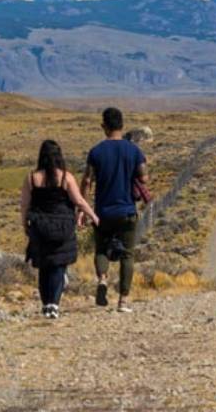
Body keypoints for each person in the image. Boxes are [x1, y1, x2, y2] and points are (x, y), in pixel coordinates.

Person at [21, 139, 99, 319]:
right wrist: (93, 216)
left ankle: (46, 304)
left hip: (40, 227)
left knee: (44, 266)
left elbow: (24, 205)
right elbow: (78, 200)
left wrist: (25, 225)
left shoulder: (32, 178)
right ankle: (54, 304)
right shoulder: (66, 177)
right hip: (63, 227)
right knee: (58, 266)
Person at [81, 107, 148, 313]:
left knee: (101, 249)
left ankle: (102, 279)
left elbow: (87, 181)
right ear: (122, 125)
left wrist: (83, 207)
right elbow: (144, 178)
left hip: (103, 211)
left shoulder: (96, 152)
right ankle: (123, 301)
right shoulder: (134, 151)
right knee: (127, 254)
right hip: (127, 210)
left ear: (104, 126)